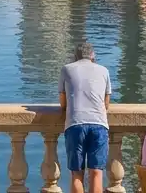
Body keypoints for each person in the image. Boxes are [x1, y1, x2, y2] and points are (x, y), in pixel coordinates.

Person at [59, 43, 112, 193]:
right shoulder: (104, 70)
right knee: (96, 172)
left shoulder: (66, 69)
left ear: (75, 56)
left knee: (76, 174)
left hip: (75, 123)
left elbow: (63, 102)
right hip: (99, 124)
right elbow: (106, 103)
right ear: (93, 56)